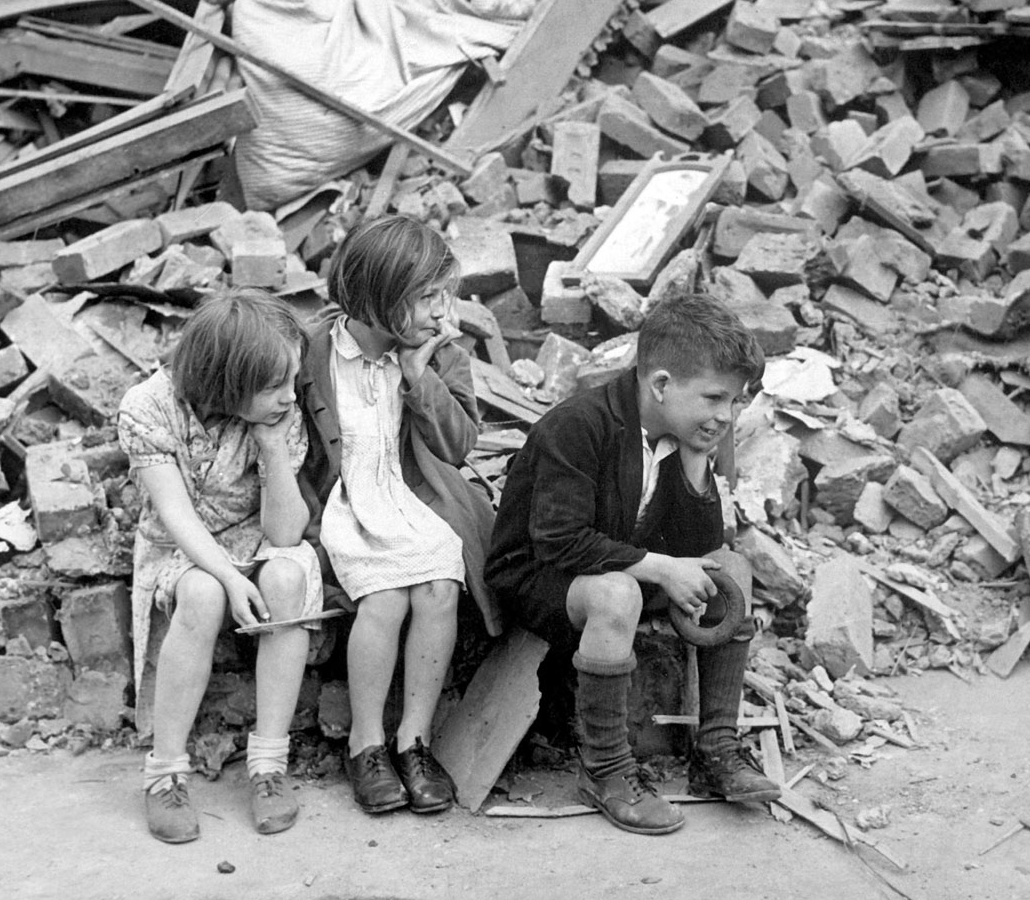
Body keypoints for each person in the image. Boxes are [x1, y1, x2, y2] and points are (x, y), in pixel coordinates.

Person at [485, 292, 780, 835]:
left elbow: (699, 544)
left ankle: (715, 746)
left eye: (735, 402)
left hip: (620, 562)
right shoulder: (579, 425)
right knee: (618, 593)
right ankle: (606, 770)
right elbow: (559, 541)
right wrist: (662, 568)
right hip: (541, 578)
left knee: (731, 568)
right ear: (662, 385)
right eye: (715, 398)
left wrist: (695, 466)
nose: (726, 415)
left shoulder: (679, 431)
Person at [297, 214, 497, 817]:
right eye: (427, 298)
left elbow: (459, 447)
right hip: (344, 502)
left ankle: (415, 740)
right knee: (384, 597)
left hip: (412, 496)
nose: (442, 313)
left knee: (439, 585)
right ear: (380, 297)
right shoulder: (311, 350)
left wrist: (420, 377)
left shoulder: (442, 354)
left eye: (446, 296)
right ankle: (366, 744)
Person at [118, 289, 320, 845]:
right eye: (273, 386)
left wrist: (275, 450)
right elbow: (175, 514)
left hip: (254, 534)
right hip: (179, 544)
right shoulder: (147, 406)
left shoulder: (279, 415)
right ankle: (164, 772)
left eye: (292, 382)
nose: (288, 396)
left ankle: (269, 764)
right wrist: (230, 578)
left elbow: (284, 532)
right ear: (227, 380)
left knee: (286, 577)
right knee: (205, 592)